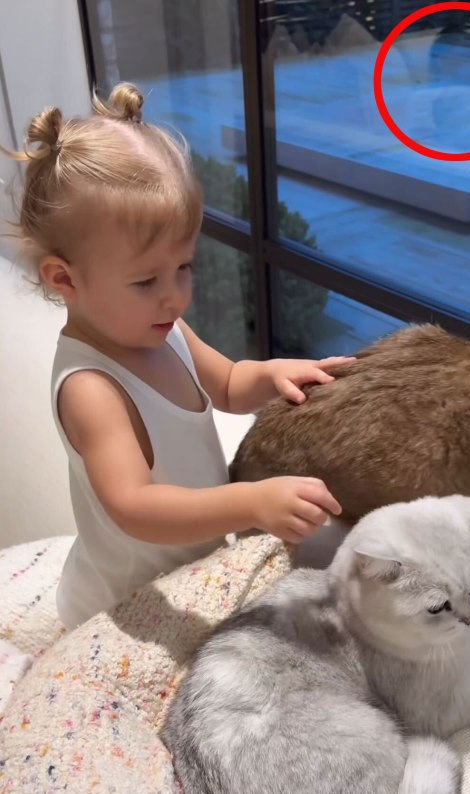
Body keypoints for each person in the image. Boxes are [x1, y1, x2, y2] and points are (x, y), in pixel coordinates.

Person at [4, 83, 352, 630]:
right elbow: (134, 507)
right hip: (128, 602)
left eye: (183, 267)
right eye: (146, 280)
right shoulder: (91, 386)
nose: (175, 294)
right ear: (64, 278)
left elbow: (230, 384)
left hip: (193, 565)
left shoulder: (161, 328)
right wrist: (251, 502)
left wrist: (274, 373)